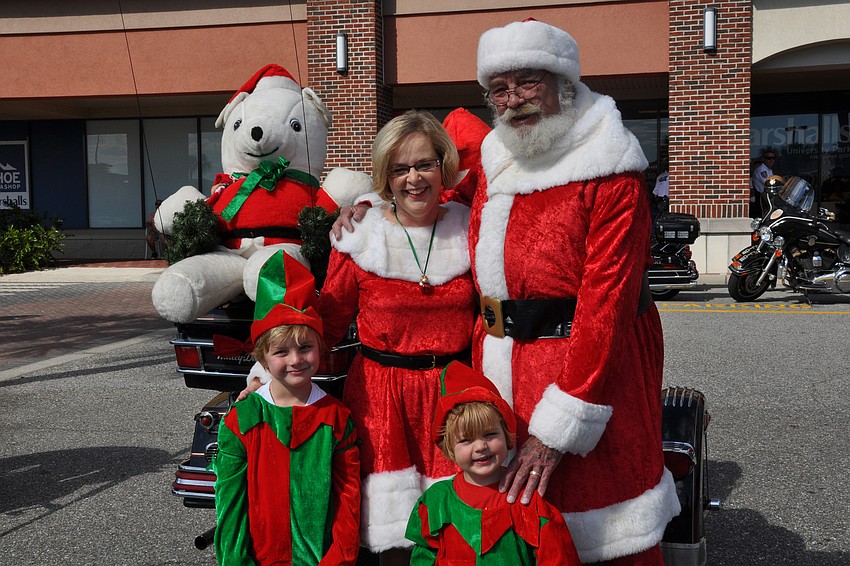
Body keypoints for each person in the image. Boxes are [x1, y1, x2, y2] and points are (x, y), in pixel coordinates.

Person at [334, 19, 680, 565]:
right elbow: (420, 185)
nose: (514, 100)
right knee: (510, 529)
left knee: (604, 524)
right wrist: (367, 207)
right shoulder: (500, 157)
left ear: (563, 82)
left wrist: (559, 426)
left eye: (527, 83)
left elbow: (606, 307)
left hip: (585, 377)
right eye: (500, 89)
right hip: (500, 374)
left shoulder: (612, 166)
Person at [317, 110, 476, 564]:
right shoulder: (360, 234)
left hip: (453, 396)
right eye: (400, 168)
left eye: (424, 164)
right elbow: (326, 323)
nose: (414, 179)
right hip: (380, 400)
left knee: (456, 532)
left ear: (443, 166)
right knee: (392, 542)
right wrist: (264, 374)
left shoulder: (470, 228)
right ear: (385, 175)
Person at [213, 250, 360, 565]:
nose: (296, 360)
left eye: (305, 347)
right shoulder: (244, 419)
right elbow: (230, 503)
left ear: (320, 348)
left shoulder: (336, 418)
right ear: (263, 357)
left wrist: (339, 559)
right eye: (282, 351)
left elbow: (348, 498)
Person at [405, 361, 582, 565]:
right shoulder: (436, 502)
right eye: (466, 440)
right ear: (449, 449)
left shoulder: (528, 502)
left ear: (507, 437)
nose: (480, 446)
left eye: (489, 435)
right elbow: (423, 559)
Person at [751, 150, 776, 218]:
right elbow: (768, 183)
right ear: (763, 159)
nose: (771, 160)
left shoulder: (769, 170)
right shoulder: (761, 170)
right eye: (769, 158)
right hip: (762, 199)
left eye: (773, 158)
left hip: (768, 198)